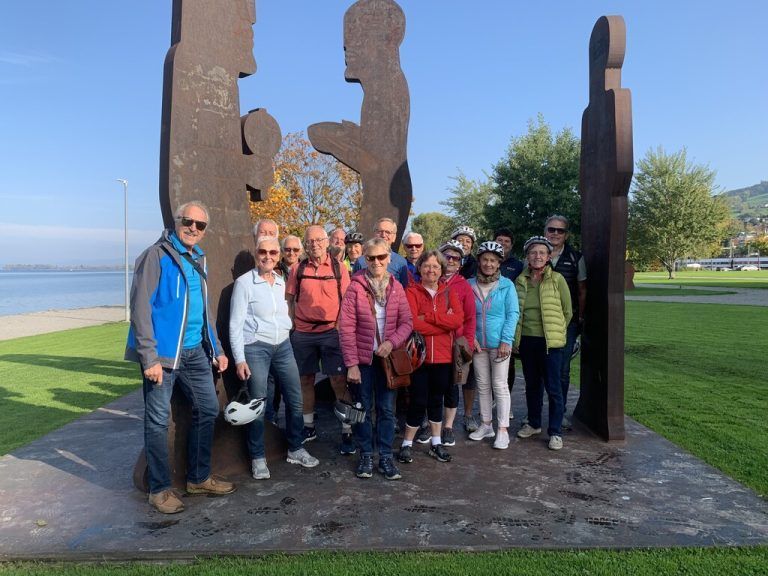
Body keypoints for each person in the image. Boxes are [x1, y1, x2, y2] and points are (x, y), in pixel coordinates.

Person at [125, 200, 235, 514]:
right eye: (189, 221)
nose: (193, 228)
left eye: (200, 225)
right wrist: (149, 358)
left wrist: (217, 349)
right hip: (163, 356)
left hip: (195, 353)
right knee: (158, 420)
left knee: (209, 407)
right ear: (177, 221)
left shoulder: (199, 258)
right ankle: (158, 490)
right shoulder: (156, 256)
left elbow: (203, 311)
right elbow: (141, 309)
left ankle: (198, 478)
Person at [229, 236, 320, 479]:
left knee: (295, 399)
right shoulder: (244, 283)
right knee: (259, 403)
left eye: (272, 252)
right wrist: (239, 358)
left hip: (283, 345)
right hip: (256, 347)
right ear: (256, 254)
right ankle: (258, 457)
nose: (267, 256)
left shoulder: (281, 282)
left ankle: (296, 447)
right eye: (262, 252)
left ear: (278, 255)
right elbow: (235, 324)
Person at [339, 238, 413, 480]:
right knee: (361, 409)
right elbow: (347, 327)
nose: (376, 262)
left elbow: (407, 322)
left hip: (387, 359)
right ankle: (366, 455)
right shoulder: (355, 286)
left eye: (381, 257)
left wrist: (391, 343)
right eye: (371, 258)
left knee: (386, 410)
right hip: (362, 360)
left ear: (389, 258)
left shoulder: (396, 287)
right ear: (364, 260)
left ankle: (386, 456)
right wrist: (351, 364)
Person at [286, 225, 353, 453]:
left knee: (338, 380)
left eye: (318, 240)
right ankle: (308, 426)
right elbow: (290, 300)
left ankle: (347, 427)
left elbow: (347, 300)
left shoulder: (339, 268)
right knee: (305, 380)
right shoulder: (298, 268)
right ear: (306, 244)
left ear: (327, 242)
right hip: (304, 334)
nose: (314, 244)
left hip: (331, 333)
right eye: (310, 241)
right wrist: (294, 325)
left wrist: (338, 327)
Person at [399, 251, 463, 464]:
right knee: (417, 401)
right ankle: (407, 444)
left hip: (443, 357)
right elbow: (413, 323)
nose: (431, 270)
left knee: (436, 400)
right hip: (420, 358)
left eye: (435, 267)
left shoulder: (449, 292)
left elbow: (458, 320)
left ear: (441, 270)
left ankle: (436, 443)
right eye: (426, 266)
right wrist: (442, 323)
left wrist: (430, 317)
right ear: (419, 269)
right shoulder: (412, 291)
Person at [514, 236, 572, 451]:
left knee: (554, 387)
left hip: (551, 343)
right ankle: (534, 423)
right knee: (532, 385)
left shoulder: (557, 279)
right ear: (527, 256)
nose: (537, 256)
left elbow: (567, 311)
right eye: (533, 252)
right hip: (528, 341)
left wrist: (556, 333)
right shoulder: (520, 281)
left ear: (548, 257)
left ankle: (555, 431)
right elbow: (516, 312)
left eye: (542, 253)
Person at [467, 241, 519, 449]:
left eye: (493, 261)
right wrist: (471, 337)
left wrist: (507, 340)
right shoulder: (469, 284)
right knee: (482, 385)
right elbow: (466, 315)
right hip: (479, 345)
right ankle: (486, 424)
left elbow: (512, 313)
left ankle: (503, 430)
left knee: (500, 386)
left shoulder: (507, 285)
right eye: (485, 259)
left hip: (500, 344)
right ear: (479, 261)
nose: (489, 264)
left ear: (499, 264)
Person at [544, 215, 586, 424]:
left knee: (562, 369)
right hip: (539, 322)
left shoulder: (576, 258)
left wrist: (579, 318)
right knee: (539, 368)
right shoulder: (536, 254)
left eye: (560, 231)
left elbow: (581, 290)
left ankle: (558, 413)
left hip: (566, 323)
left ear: (566, 234)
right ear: (545, 231)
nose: (555, 234)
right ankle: (534, 413)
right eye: (552, 229)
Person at [437, 239, 476, 447]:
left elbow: (470, 318)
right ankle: (431, 423)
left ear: (461, 263)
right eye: (447, 256)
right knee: (433, 385)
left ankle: (448, 427)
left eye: (455, 258)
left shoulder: (463, 286)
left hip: (455, 343)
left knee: (452, 386)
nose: (451, 261)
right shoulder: (431, 279)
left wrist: (467, 343)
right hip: (433, 342)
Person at [494, 227, 524, 412]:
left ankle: (506, 400)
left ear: (511, 245)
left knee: (508, 361)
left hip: (508, 318)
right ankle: (491, 400)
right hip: (490, 319)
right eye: (499, 240)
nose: (503, 244)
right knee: (488, 362)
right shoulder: (486, 261)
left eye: (506, 241)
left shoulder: (518, 265)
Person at [353, 217, 409, 288]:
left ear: (394, 237)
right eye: (379, 231)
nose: (383, 235)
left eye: (388, 232)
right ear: (374, 234)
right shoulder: (360, 261)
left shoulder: (401, 262)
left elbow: (404, 290)